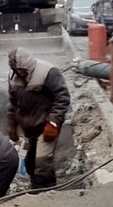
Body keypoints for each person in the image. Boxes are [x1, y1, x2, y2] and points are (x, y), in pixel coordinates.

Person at [6, 48, 70, 190]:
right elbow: (13, 102)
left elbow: (62, 98)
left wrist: (53, 122)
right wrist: (12, 123)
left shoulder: (48, 72)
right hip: (30, 126)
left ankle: (45, 191)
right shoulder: (13, 77)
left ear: (28, 66)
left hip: (46, 125)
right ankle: (38, 185)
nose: (20, 73)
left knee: (42, 162)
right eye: (17, 70)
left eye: (22, 70)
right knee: (30, 163)